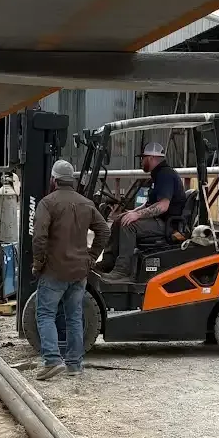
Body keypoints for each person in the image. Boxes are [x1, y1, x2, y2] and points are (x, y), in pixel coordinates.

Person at [31, 159, 109, 382]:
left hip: (55, 271)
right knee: (74, 316)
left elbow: (39, 237)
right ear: (71, 179)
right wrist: (91, 257)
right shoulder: (86, 203)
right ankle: (74, 364)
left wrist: (38, 263)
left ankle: (52, 360)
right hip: (79, 272)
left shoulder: (47, 203)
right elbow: (104, 230)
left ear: (54, 179)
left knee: (45, 314)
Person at [99, 140, 188, 282]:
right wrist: (131, 212)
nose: (141, 161)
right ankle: (108, 262)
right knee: (120, 220)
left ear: (152, 158)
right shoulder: (158, 175)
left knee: (129, 225)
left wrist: (136, 215)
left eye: (143, 158)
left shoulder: (165, 175)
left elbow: (163, 206)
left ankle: (123, 270)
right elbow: (149, 204)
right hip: (160, 220)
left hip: (168, 224)